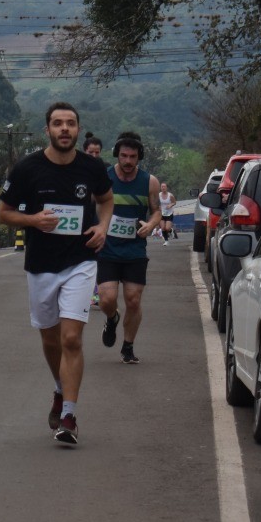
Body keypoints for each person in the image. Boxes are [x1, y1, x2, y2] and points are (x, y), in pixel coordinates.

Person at [0, 103, 112, 446]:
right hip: (41, 265)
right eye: (58, 124)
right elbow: (3, 213)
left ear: (78, 130)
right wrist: (33, 221)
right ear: (47, 129)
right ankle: (60, 391)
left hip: (81, 261)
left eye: (71, 124)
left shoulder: (91, 167)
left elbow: (106, 201)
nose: (65, 129)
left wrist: (103, 227)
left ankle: (69, 416)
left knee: (71, 339)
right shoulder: (27, 169)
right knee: (50, 340)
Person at [96, 133, 162, 364]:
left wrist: (151, 224)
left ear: (139, 157)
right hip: (107, 248)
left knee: (133, 300)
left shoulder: (149, 182)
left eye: (132, 157)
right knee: (106, 299)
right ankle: (112, 318)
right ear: (117, 155)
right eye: (123, 155)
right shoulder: (104, 179)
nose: (127, 161)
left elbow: (156, 211)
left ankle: (128, 346)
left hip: (134, 250)